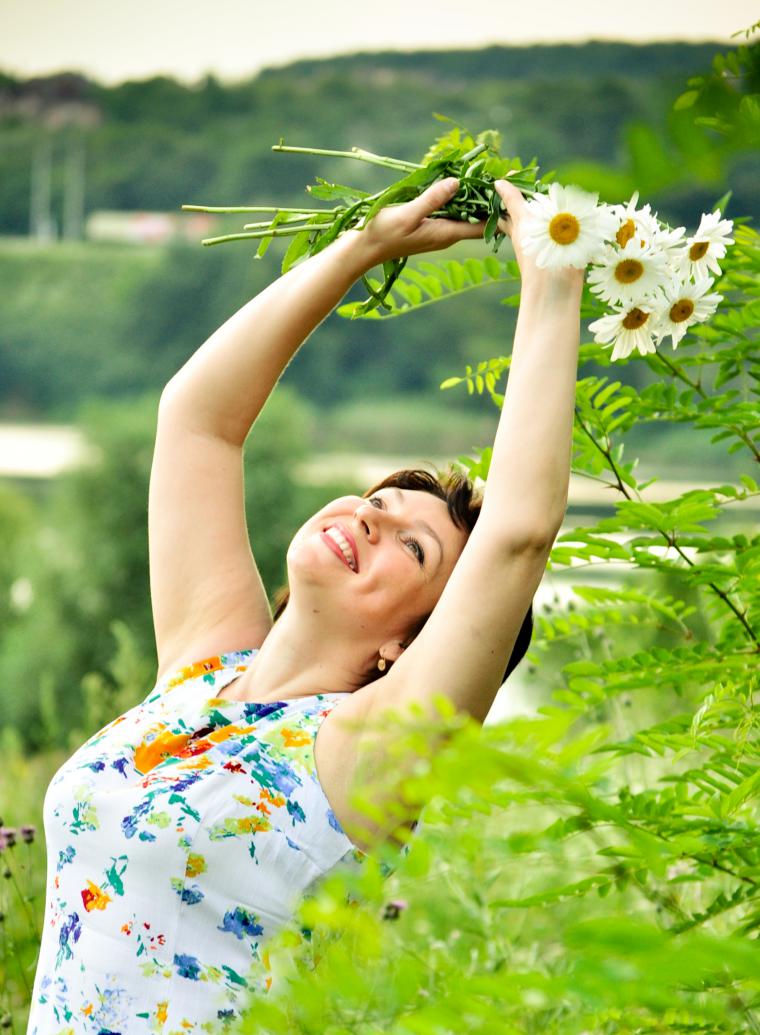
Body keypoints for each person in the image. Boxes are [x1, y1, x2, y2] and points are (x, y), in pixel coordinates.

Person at [27, 175, 583, 1033]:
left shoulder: (365, 760)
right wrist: (362, 249)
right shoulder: (204, 672)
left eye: (414, 546)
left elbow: (517, 534)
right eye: (381, 501)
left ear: (411, 646)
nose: (373, 516)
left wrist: (553, 278)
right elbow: (197, 420)